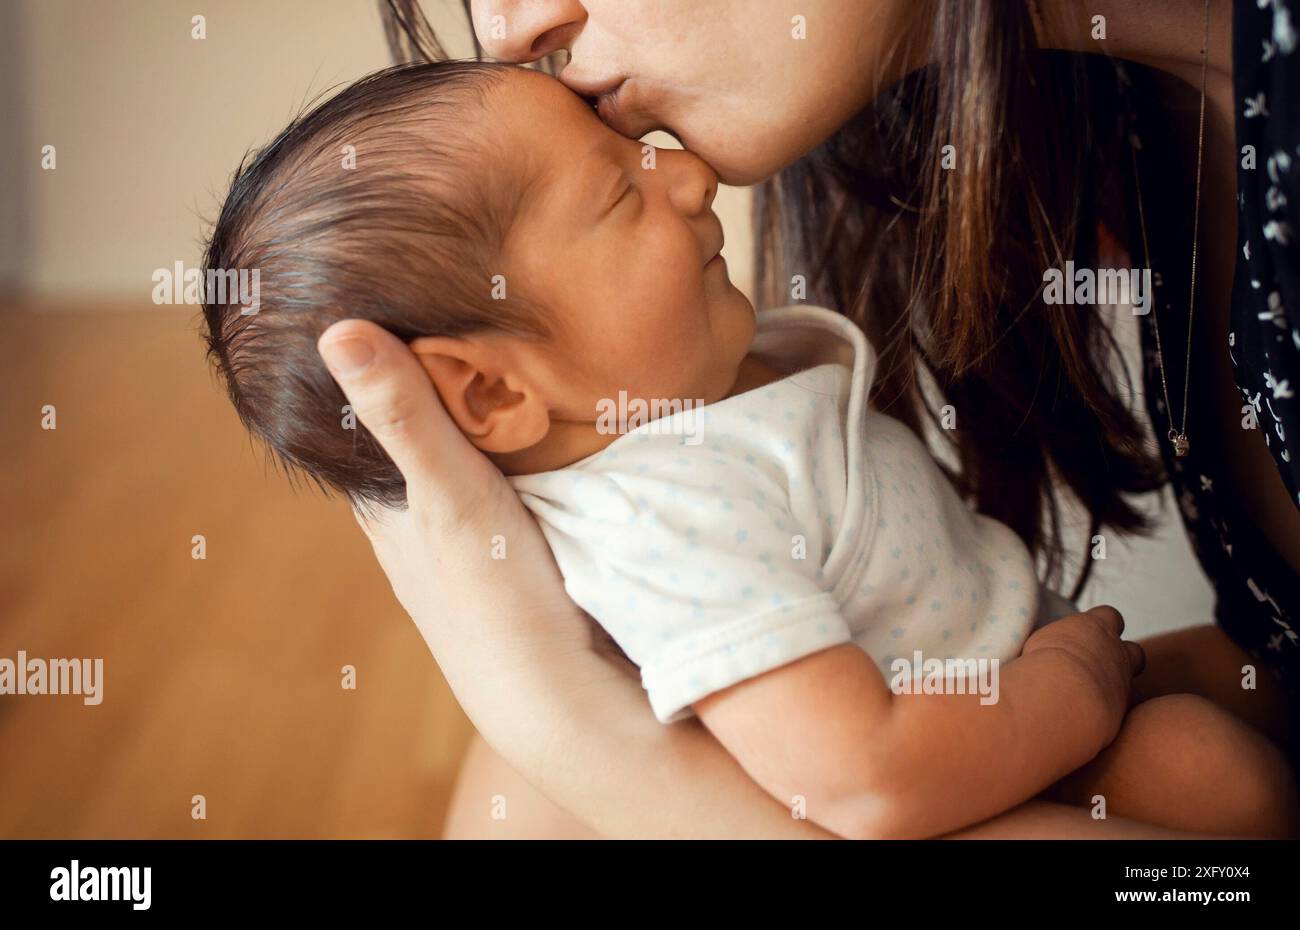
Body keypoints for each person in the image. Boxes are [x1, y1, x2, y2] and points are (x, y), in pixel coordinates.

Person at [318, 0, 1300, 838]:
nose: (513, 27)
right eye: (618, 191)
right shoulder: (1107, 121)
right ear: (490, 390)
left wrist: (579, 738)